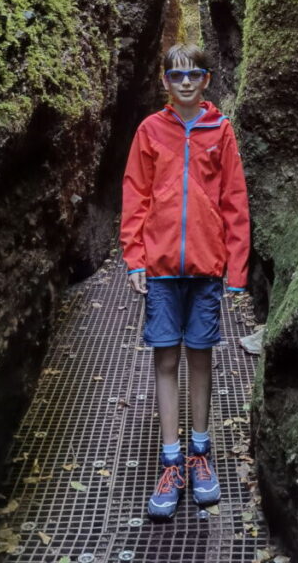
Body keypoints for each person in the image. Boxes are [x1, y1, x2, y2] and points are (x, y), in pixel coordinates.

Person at [120, 43, 250, 520]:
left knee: (200, 355)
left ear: (208, 80)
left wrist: (236, 270)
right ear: (166, 82)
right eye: (177, 76)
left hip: (206, 267)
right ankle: (170, 457)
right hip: (159, 268)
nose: (187, 83)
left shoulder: (222, 132)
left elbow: (235, 200)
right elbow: (135, 193)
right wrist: (135, 258)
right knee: (165, 358)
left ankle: (200, 452)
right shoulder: (150, 131)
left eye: (195, 74)